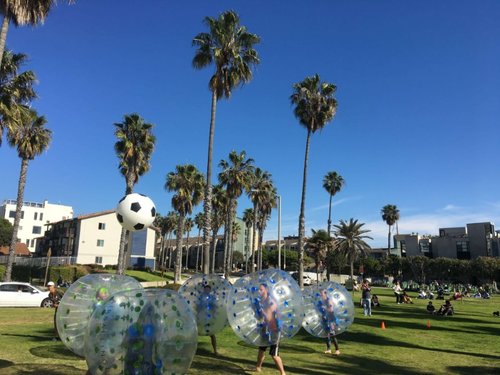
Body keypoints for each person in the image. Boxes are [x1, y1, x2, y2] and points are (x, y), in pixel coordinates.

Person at [255, 283, 286, 375]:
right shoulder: (262, 301)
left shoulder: (271, 301)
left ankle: (283, 373)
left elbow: (268, 316)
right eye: (258, 289)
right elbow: (262, 317)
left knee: (274, 354)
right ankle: (258, 367)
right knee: (262, 349)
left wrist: (260, 310)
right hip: (266, 329)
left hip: (274, 330)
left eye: (261, 289)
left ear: (266, 290)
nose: (259, 291)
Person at [319, 289, 341, 356]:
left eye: (322, 294)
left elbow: (331, 310)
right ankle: (329, 349)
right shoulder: (323, 301)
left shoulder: (329, 300)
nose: (321, 295)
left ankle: (337, 350)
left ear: (325, 294)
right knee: (327, 335)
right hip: (325, 319)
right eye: (321, 294)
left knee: (332, 335)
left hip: (331, 319)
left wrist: (324, 308)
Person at [199, 284, 218, 355]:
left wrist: (214, 315)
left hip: (209, 318)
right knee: (196, 334)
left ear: (210, 290)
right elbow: (198, 307)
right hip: (201, 318)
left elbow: (215, 307)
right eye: (205, 289)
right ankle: (193, 349)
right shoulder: (201, 297)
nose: (207, 290)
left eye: (208, 289)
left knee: (212, 334)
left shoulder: (212, 298)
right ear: (204, 290)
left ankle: (215, 350)